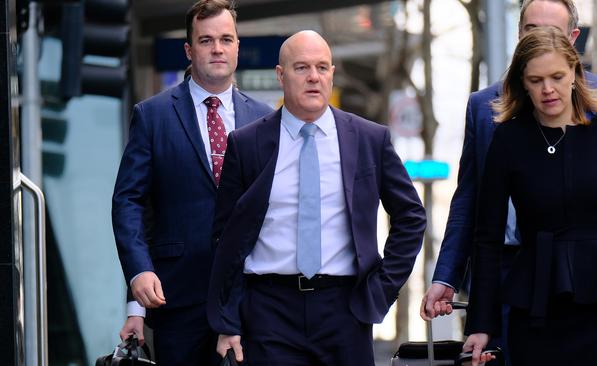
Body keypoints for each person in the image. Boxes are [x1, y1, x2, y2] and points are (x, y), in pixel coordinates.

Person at [205, 30, 426, 365]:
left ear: (332, 74)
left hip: (344, 310)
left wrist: (380, 290)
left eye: (322, 68)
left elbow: (411, 217)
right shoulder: (247, 143)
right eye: (302, 68)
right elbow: (226, 238)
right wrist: (228, 321)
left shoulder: (369, 139)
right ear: (281, 75)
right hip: (269, 312)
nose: (313, 78)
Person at [421, 1, 597, 359]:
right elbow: (469, 199)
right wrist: (446, 277)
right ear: (519, 37)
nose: (541, 40)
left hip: (587, 273)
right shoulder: (485, 109)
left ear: (573, 39)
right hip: (505, 273)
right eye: (532, 31)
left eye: (553, 32)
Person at [461, 26, 597, 366]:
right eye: (536, 80)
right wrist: (481, 324)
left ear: (576, 73)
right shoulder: (508, 139)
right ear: (523, 82)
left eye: (557, 76)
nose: (548, 89)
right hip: (538, 303)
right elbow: (486, 237)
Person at [111, 0, 273, 364]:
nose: (217, 49)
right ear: (189, 49)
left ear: (237, 48)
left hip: (252, 300)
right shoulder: (152, 116)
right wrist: (138, 283)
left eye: (226, 39)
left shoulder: (264, 120)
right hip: (178, 299)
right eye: (206, 40)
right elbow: (129, 203)